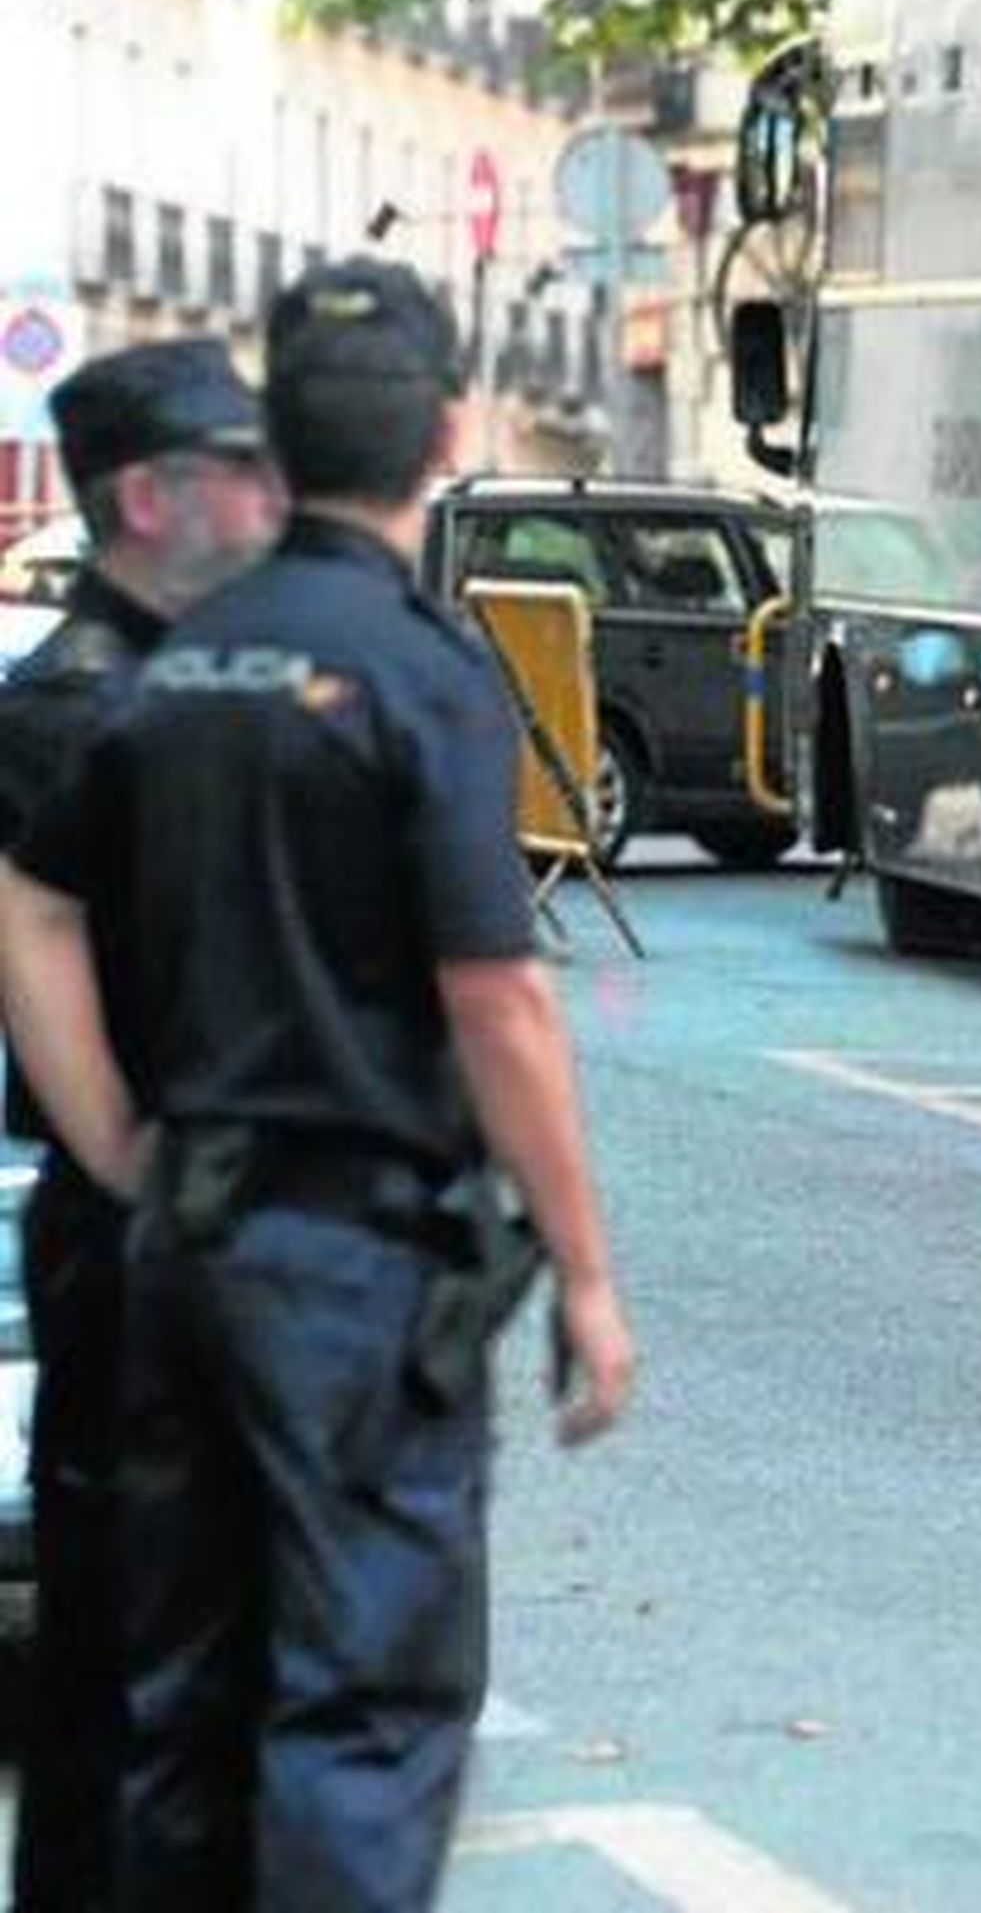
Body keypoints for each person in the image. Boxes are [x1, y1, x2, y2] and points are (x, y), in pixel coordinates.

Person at [0, 256, 636, 1912]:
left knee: (179, 1695)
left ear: (282, 443)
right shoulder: (415, 669)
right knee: (360, 1699)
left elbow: (30, 898)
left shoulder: (181, 667)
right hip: (346, 1263)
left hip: (179, 1249)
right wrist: (582, 1266)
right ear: (445, 436)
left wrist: (133, 1147)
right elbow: (497, 993)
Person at [0, 337, 284, 1913]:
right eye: (238, 467)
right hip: (154, 1246)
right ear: (142, 497)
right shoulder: (83, 716)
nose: (271, 494)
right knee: (136, 1681)